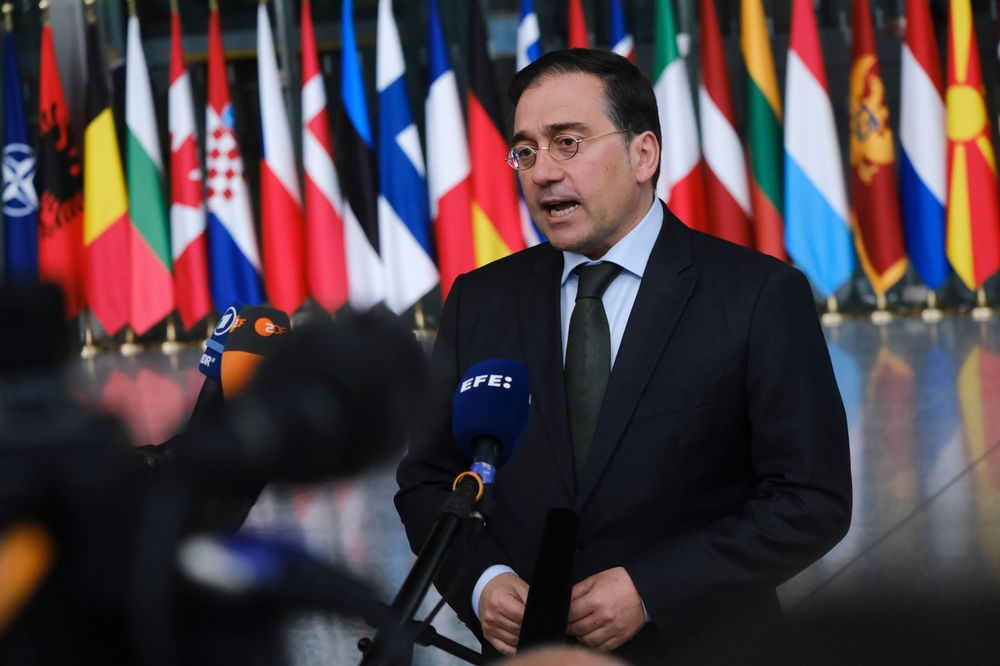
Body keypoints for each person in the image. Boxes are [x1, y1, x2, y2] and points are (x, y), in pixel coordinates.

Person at [395, 49, 851, 664]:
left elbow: (811, 501)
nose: (542, 172)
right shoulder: (479, 301)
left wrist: (653, 590)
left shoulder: (757, 295)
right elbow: (427, 481)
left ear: (644, 154)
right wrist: (482, 583)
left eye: (567, 143)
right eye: (525, 151)